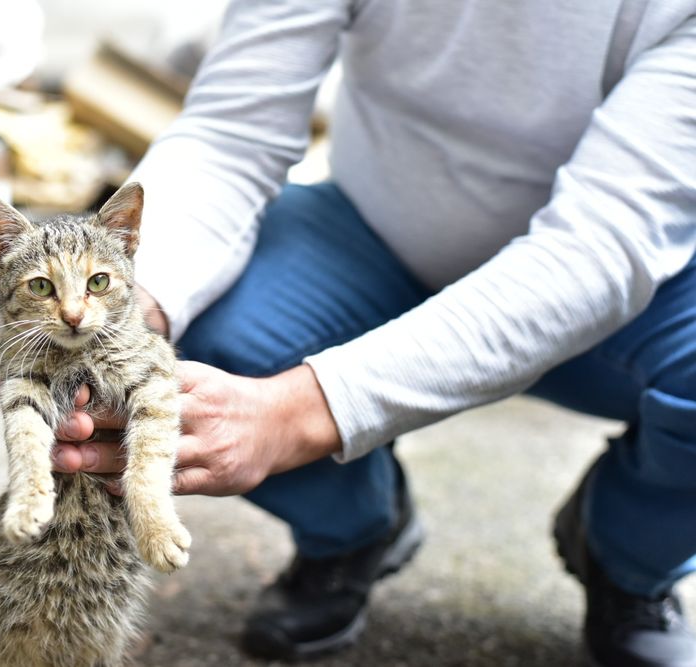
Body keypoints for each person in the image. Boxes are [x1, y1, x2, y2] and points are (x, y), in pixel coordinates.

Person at [52, 1, 696, 664]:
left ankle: (627, 558)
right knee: (186, 327)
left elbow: (599, 250)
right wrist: (131, 309)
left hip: (632, 292)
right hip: (375, 235)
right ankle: (357, 525)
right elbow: (229, 130)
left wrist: (302, 412)